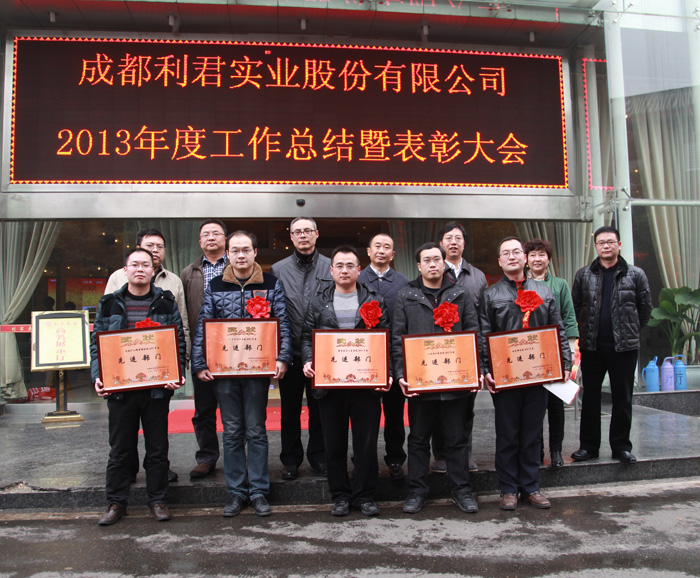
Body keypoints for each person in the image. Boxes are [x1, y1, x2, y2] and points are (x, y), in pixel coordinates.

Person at [191, 231, 292, 517]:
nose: (240, 255)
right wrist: (199, 362)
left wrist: (283, 357)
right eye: (235, 250)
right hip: (224, 371)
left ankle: (259, 491)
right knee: (233, 430)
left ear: (255, 252)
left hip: (257, 371)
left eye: (246, 249)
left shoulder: (271, 284)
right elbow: (204, 324)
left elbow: (282, 322)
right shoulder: (215, 285)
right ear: (228, 254)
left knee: (257, 430)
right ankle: (236, 492)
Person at [92, 247, 186, 526]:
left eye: (146, 265)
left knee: (157, 448)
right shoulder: (109, 302)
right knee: (120, 448)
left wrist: (177, 373)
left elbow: (178, 341)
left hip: (156, 389)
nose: (140, 269)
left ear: (153, 270)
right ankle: (116, 502)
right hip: (120, 389)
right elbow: (97, 344)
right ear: (125, 270)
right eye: (134, 264)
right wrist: (98, 375)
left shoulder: (165, 301)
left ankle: (158, 500)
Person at [480, 237, 571, 511]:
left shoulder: (544, 291)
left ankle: (531, 487)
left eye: (516, 252)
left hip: (537, 374)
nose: (512, 256)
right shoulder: (490, 295)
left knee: (532, 433)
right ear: (499, 261)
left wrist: (565, 363)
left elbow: (558, 329)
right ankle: (508, 489)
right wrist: (486, 370)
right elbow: (484, 335)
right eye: (506, 253)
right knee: (507, 434)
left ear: (525, 257)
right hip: (505, 376)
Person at [301, 245, 391, 516]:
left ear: (359, 270)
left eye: (350, 265)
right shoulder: (318, 301)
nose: (344, 270)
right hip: (330, 386)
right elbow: (306, 337)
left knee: (366, 443)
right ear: (331, 270)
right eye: (339, 265)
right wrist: (308, 360)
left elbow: (386, 338)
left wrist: (385, 371)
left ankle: (365, 495)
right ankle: (340, 495)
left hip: (365, 385)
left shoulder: (374, 300)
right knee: (334, 443)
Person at [392, 242, 480, 515]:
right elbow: (398, 339)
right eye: (427, 260)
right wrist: (401, 374)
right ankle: (417, 490)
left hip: (455, 381)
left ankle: (461, 489)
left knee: (456, 438)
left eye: (437, 259)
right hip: (420, 382)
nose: (432, 264)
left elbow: (473, 333)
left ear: (444, 263)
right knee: (418, 439)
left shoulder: (460, 293)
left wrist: (474, 371)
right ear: (419, 266)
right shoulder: (405, 295)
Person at [104, 227, 185, 484]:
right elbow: (105, 332)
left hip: (157, 372)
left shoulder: (173, 284)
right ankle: (125, 476)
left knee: (157, 436)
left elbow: (180, 327)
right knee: (122, 437)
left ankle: (158, 479)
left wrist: (178, 368)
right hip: (123, 372)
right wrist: (102, 374)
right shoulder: (116, 282)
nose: (155, 250)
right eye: (150, 246)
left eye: (160, 247)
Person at [571, 226, 652, 465]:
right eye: (601, 242)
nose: (606, 246)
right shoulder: (584, 275)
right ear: (595, 246)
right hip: (592, 346)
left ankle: (621, 447)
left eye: (610, 242)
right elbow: (576, 307)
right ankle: (588, 447)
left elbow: (645, 309)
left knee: (622, 398)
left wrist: (629, 330)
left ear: (619, 245)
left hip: (623, 347)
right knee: (590, 397)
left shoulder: (635, 274)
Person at [271, 217, 331, 480]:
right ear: (291, 237)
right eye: (298, 232)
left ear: (316, 234)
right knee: (289, 410)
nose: (303, 235)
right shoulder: (278, 269)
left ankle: (319, 457)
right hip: (291, 351)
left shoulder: (330, 265)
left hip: (321, 351)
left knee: (320, 409)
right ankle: (290, 459)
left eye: (308, 230)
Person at [432, 222, 489, 474]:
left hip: (467, 351)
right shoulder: (433, 270)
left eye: (458, 238)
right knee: (438, 406)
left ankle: (465, 453)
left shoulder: (478, 276)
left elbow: (483, 317)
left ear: (464, 243)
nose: (453, 242)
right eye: (448, 238)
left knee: (466, 407)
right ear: (441, 243)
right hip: (438, 351)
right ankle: (441, 455)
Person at [357, 233, 410, 480]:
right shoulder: (357, 279)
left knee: (394, 412)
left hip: (395, 355)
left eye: (386, 247)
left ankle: (396, 458)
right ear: (368, 251)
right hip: (364, 357)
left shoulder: (403, 282)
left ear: (393, 254)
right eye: (376, 245)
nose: (381, 250)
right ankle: (362, 457)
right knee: (363, 413)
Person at [525, 238, 579, 469]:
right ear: (526, 259)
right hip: (529, 353)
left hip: (555, 351)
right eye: (533, 255)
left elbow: (569, 317)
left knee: (556, 405)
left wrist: (571, 352)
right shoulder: (521, 285)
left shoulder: (560, 284)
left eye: (542, 255)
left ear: (548, 259)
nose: (537, 259)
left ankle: (556, 450)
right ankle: (536, 451)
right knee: (533, 406)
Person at [180, 219, 228, 479]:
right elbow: (185, 315)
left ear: (225, 239)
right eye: (206, 234)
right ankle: (207, 457)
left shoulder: (236, 266)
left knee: (234, 409)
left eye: (216, 233)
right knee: (204, 410)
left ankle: (236, 456)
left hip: (232, 350)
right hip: (203, 351)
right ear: (199, 242)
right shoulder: (188, 273)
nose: (211, 237)